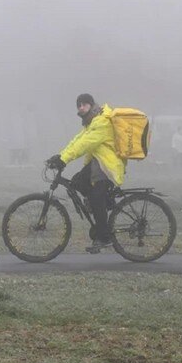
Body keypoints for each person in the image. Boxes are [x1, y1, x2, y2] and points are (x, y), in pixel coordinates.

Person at [46, 93, 125, 252]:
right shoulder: (91, 122)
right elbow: (77, 141)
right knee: (76, 182)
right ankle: (105, 202)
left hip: (108, 166)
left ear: (91, 104)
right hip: (98, 163)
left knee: (96, 199)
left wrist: (65, 160)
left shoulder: (102, 121)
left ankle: (104, 237)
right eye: (78, 105)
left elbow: (86, 144)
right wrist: (61, 156)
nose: (81, 107)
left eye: (84, 104)